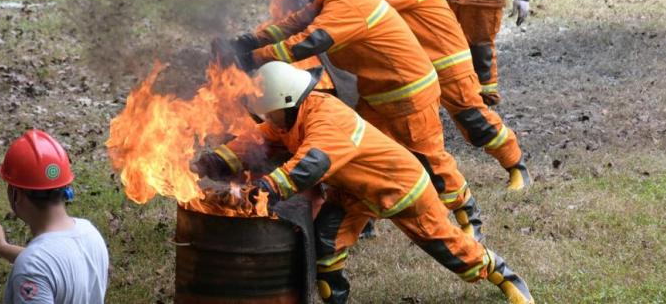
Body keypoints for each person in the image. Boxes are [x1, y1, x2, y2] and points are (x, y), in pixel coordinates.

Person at [197, 61, 535, 304]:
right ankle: (335, 296)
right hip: (354, 195)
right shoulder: (294, 116)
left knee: (450, 250)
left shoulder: (327, 120)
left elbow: (310, 165)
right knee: (326, 246)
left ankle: (502, 274)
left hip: (401, 190)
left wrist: (268, 189)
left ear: (285, 102)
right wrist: (215, 160)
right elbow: (259, 138)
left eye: (268, 112)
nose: (267, 120)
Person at [213, 0, 485, 238]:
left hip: (408, 92)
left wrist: (253, 58)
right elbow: (295, 23)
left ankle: (468, 218)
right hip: (380, 93)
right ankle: (361, 222)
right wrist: (249, 40)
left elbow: (309, 41)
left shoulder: (347, 1)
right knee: (361, 155)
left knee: (431, 159)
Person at [343, 0, 531, 190]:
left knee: (474, 121)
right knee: (379, 127)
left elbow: (363, 5)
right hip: (417, 67)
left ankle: (516, 166)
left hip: (445, 61)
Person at [0, 129, 109, 304]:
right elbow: (54, 263)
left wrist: (25, 263)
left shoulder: (31, 268)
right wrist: (2, 247)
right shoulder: (90, 232)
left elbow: (41, 266)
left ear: (17, 195)